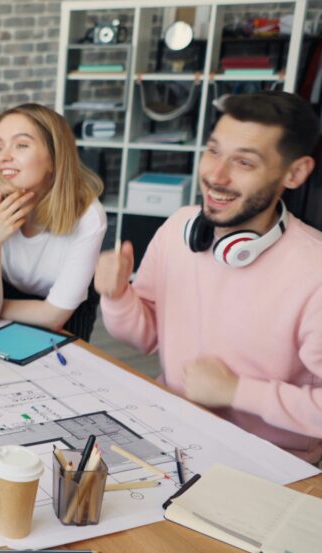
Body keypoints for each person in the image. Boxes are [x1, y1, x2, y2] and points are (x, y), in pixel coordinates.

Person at [94, 90, 322, 463]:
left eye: (243, 163)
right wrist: (118, 296)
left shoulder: (314, 272)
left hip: (268, 459)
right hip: (171, 425)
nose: (215, 176)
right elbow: (145, 336)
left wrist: (237, 392)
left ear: (295, 173)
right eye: (213, 151)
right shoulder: (181, 227)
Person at [0, 103, 107, 340]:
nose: (4, 157)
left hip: (67, 315)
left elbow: (54, 317)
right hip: (7, 304)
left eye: (21, 145)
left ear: (54, 158)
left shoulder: (88, 217)